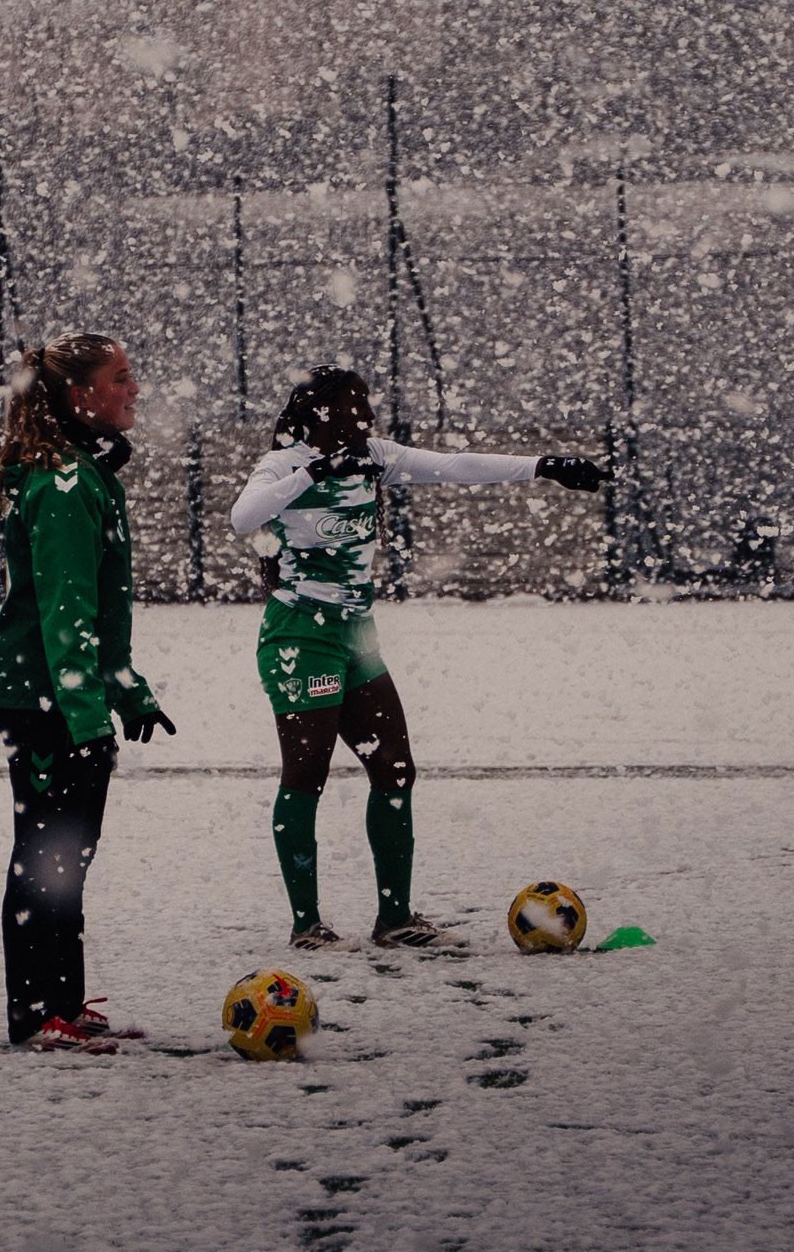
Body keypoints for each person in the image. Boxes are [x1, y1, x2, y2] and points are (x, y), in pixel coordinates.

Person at [230, 364, 609, 949]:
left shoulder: (376, 455)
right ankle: (307, 926)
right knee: (307, 776)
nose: (369, 416)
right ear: (320, 411)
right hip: (299, 635)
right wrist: (313, 472)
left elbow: (455, 466)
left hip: (356, 633)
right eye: (356, 405)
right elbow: (243, 515)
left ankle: (395, 919)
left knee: (396, 768)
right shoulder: (284, 464)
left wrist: (543, 465)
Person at [0, 332, 177, 1051]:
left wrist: (128, 693)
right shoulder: (64, 485)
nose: (134, 390)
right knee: (48, 858)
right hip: (45, 703)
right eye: (121, 378)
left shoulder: (83, 476)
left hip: (61, 700)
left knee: (67, 856)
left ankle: (60, 1003)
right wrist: (87, 716)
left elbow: (102, 616)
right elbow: (68, 617)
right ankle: (37, 1017)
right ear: (78, 395)